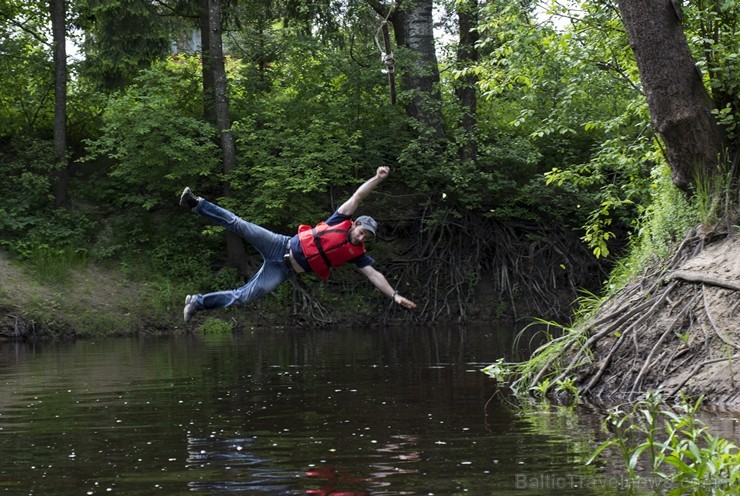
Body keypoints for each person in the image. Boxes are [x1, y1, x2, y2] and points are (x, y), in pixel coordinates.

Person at [179, 166, 417, 322]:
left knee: (244, 297)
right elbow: (358, 196)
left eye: (367, 237)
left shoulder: (356, 254)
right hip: (279, 245)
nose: (362, 238)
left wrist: (394, 295)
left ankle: (198, 302)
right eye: (362, 232)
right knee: (239, 224)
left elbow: (374, 275)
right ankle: (196, 203)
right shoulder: (341, 219)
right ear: (355, 225)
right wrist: (377, 178)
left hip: (283, 270)